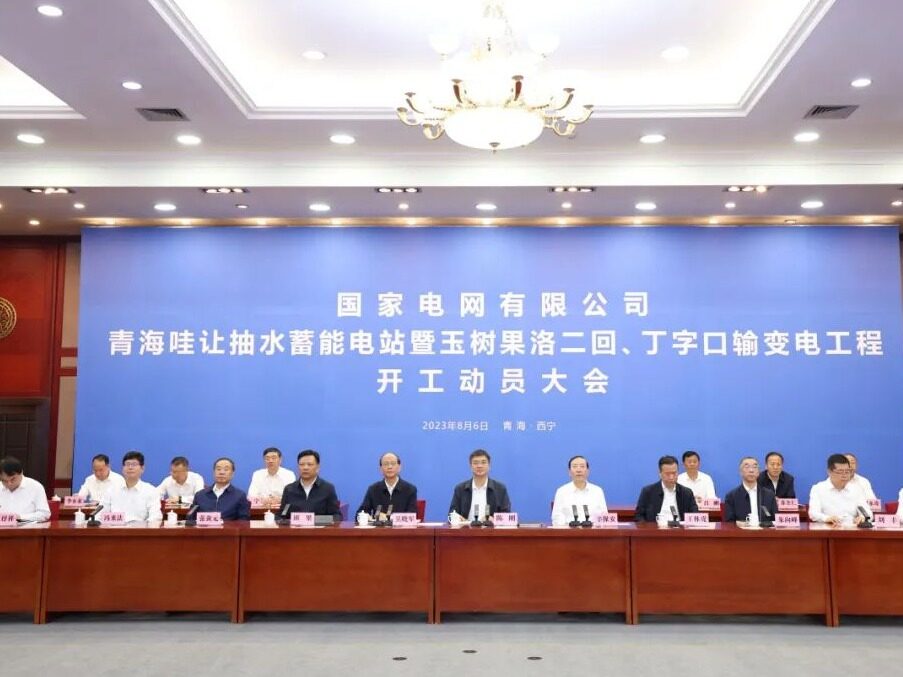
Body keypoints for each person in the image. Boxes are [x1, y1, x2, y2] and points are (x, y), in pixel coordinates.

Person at [808, 453, 871, 526]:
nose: (844, 475)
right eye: (840, 472)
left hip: (851, 529)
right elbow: (813, 513)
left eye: (847, 471)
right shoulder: (818, 489)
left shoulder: (856, 489)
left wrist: (862, 517)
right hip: (828, 528)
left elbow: (868, 513)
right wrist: (827, 518)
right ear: (829, 472)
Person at [448, 449, 511, 521]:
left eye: (483, 462)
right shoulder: (460, 489)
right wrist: (457, 518)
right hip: (466, 527)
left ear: (489, 465)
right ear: (470, 466)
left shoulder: (500, 489)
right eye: (475, 463)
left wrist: (494, 519)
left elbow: (508, 516)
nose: (479, 466)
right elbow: (451, 514)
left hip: (491, 527)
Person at [634, 455, 698, 523]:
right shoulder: (648, 492)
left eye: (674, 473)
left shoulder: (687, 493)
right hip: (656, 528)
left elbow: (695, 515)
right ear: (660, 473)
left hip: (680, 528)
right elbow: (639, 516)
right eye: (667, 474)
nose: (671, 477)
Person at [279, 449, 341, 518]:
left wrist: (315, 520)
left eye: (309, 464)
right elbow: (282, 514)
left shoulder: (328, 488)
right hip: (294, 525)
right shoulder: (289, 489)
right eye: (302, 464)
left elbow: (336, 516)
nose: (305, 468)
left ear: (318, 467)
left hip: (319, 525)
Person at [355, 451, 417, 519]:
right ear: (380, 469)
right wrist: (365, 517)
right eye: (386, 464)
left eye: (393, 463)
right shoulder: (373, 489)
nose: (389, 467)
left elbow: (411, 516)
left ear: (399, 467)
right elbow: (359, 514)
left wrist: (389, 518)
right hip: (378, 526)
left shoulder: (410, 489)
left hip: (401, 526)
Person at [105, 450, 163, 523]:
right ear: (122, 469)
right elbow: (100, 514)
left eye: (134, 464)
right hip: (114, 529)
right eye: (127, 464)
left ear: (142, 468)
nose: (130, 467)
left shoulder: (151, 491)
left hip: (141, 529)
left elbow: (155, 517)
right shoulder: (111, 490)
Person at [551, 455, 607, 526]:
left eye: (582, 466)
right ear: (569, 472)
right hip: (568, 531)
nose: (578, 470)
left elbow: (604, 516)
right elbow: (557, 517)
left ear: (588, 471)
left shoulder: (597, 491)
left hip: (593, 531)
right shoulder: (561, 491)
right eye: (575, 466)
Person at [723, 457, 778, 524]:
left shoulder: (769, 495)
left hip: (765, 530)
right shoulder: (731, 496)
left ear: (758, 472)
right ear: (740, 472)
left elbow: (776, 520)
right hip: (741, 530)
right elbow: (729, 522)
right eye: (747, 467)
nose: (751, 470)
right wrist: (738, 524)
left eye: (755, 467)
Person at [0, 456, 50, 522]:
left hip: (27, 527)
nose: (9, 484)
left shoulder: (36, 487)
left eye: (13, 479)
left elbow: (44, 514)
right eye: (4, 481)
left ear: (21, 473)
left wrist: (20, 517)